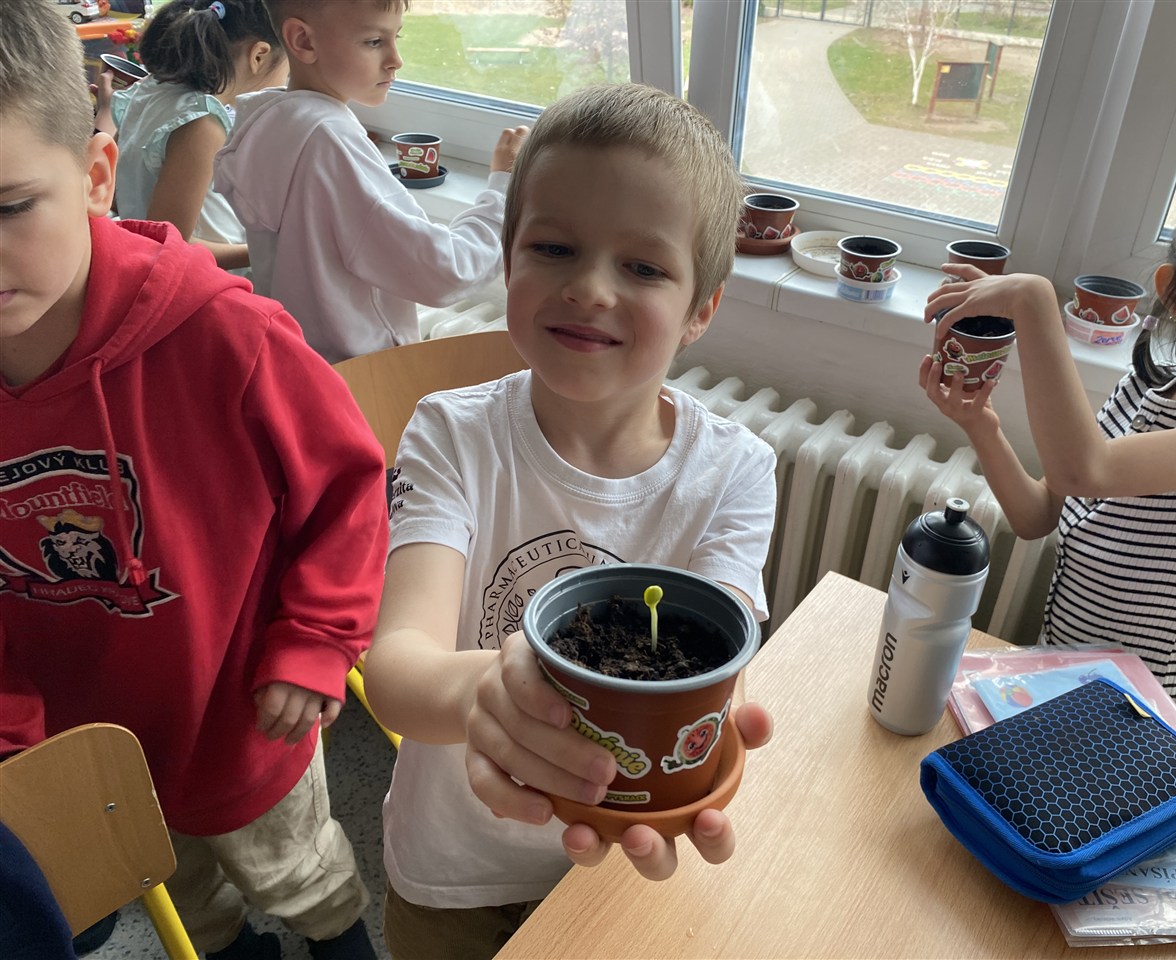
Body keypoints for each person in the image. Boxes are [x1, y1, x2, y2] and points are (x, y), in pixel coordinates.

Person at [0, 3, 389, 959]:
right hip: (94, 750)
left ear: (96, 176)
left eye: (9, 207)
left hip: (243, 715)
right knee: (192, 906)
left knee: (307, 883)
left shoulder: (230, 339)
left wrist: (316, 639)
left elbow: (349, 493)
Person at [362, 83, 778, 960]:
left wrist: (712, 752)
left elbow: (718, 677)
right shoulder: (451, 434)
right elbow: (397, 672)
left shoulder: (736, 472)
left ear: (702, 308)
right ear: (507, 261)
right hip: (451, 873)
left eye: (644, 268)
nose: (589, 288)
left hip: (617, 875)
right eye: (553, 248)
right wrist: (490, 693)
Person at [919, 164, 1176, 715]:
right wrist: (981, 427)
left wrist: (1034, 300)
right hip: (1063, 667)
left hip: (1143, 703)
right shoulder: (1145, 388)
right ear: (1173, 292)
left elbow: (1084, 471)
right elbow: (1039, 514)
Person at [212, 0, 528, 363]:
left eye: (396, 37)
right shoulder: (331, 142)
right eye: (374, 41)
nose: (396, 60)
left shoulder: (272, 123)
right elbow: (446, 272)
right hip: (362, 374)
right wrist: (504, 188)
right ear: (303, 41)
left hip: (299, 360)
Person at [95, 0, 288, 272]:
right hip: (206, 282)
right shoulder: (202, 122)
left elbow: (122, 191)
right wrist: (267, 250)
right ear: (259, 56)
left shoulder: (151, 89)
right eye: (288, 68)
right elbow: (171, 246)